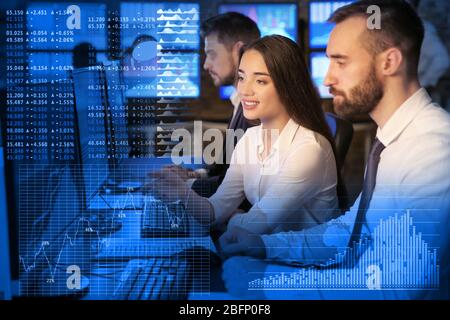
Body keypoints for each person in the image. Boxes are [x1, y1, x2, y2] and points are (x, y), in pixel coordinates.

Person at [220, 0, 450, 299]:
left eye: (340, 62)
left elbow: (399, 288)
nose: (327, 79)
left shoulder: (432, 150)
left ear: (389, 62)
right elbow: (350, 233)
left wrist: (268, 284)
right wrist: (262, 246)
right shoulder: (393, 141)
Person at [148, 35, 341, 236]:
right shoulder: (250, 138)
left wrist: (232, 218)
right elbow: (215, 211)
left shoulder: (308, 150)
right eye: (241, 77)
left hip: (302, 263)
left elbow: (252, 227)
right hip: (263, 254)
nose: (244, 90)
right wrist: (182, 192)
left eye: (260, 81)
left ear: (288, 86)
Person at [169, 12, 261, 198]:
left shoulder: (257, 111)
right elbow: (228, 170)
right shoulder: (239, 101)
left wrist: (183, 186)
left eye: (211, 54)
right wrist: (194, 174)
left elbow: (240, 190)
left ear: (238, 52)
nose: (205, 65)